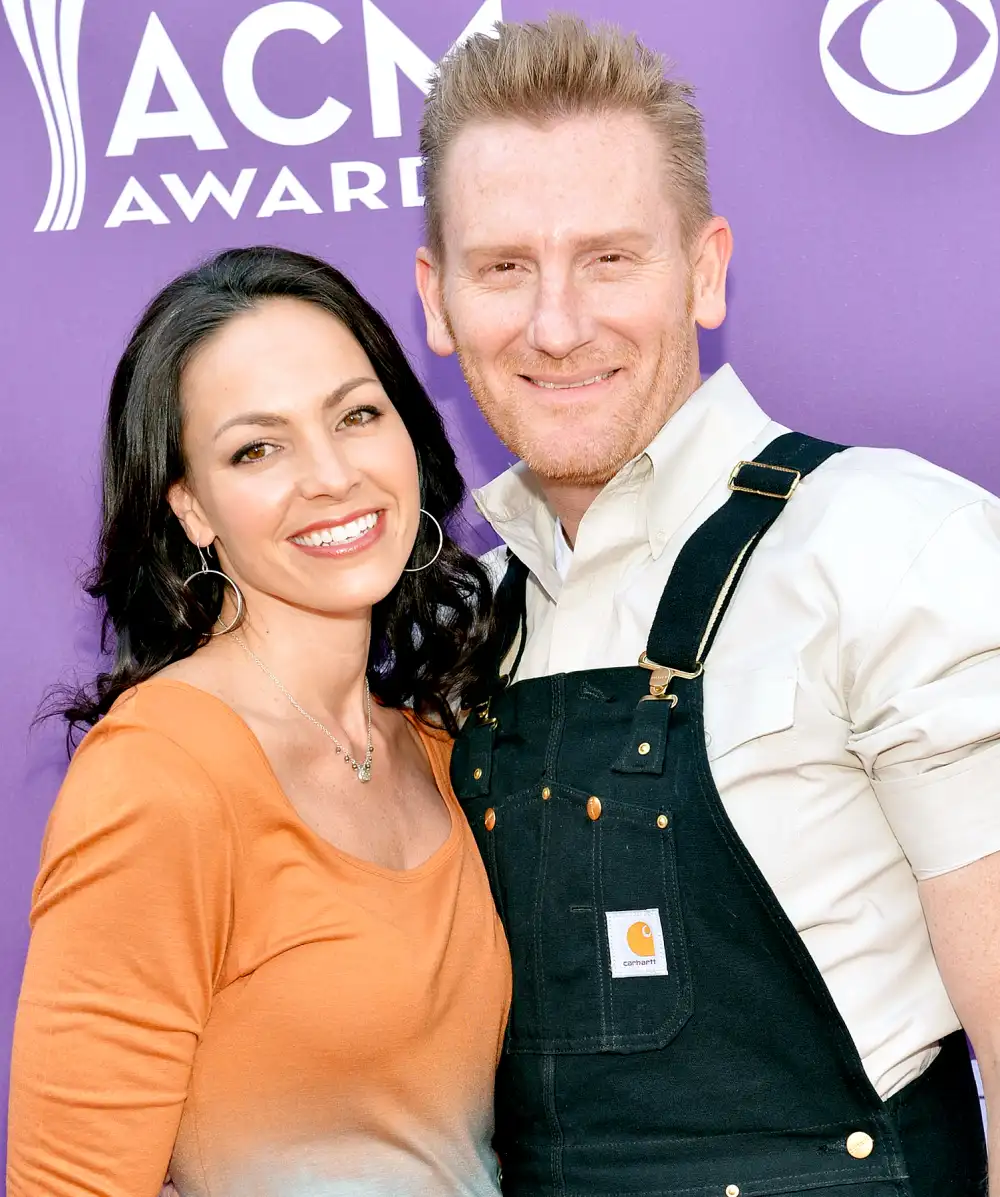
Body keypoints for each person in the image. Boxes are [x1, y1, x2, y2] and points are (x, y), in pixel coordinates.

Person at [414, 14, 999, 1197]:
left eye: (610, 258)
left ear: (708, 268)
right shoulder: (450, 626)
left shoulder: (893, 543)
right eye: (504, 267)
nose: (557, 324)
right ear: (437, 300)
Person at [7, 247, 510, 1197]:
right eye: (257, 448)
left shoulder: (437, 747)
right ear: (191, 506)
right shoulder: (159, 774)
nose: (329, 475)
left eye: (357, 415)